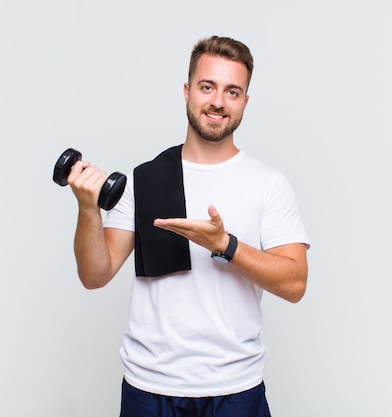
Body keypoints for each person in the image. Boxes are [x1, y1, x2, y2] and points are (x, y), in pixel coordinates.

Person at [67, 35, 310, 417]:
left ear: (245, 101)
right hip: (150, 387)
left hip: (236, 388)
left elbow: (295, 284)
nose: (217, 101)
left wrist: (226, 245)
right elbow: (95, 275)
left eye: (232, 91)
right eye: (207, 87)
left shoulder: (268, 183)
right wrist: (88, 209)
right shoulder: (144, 179)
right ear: (187, 91)